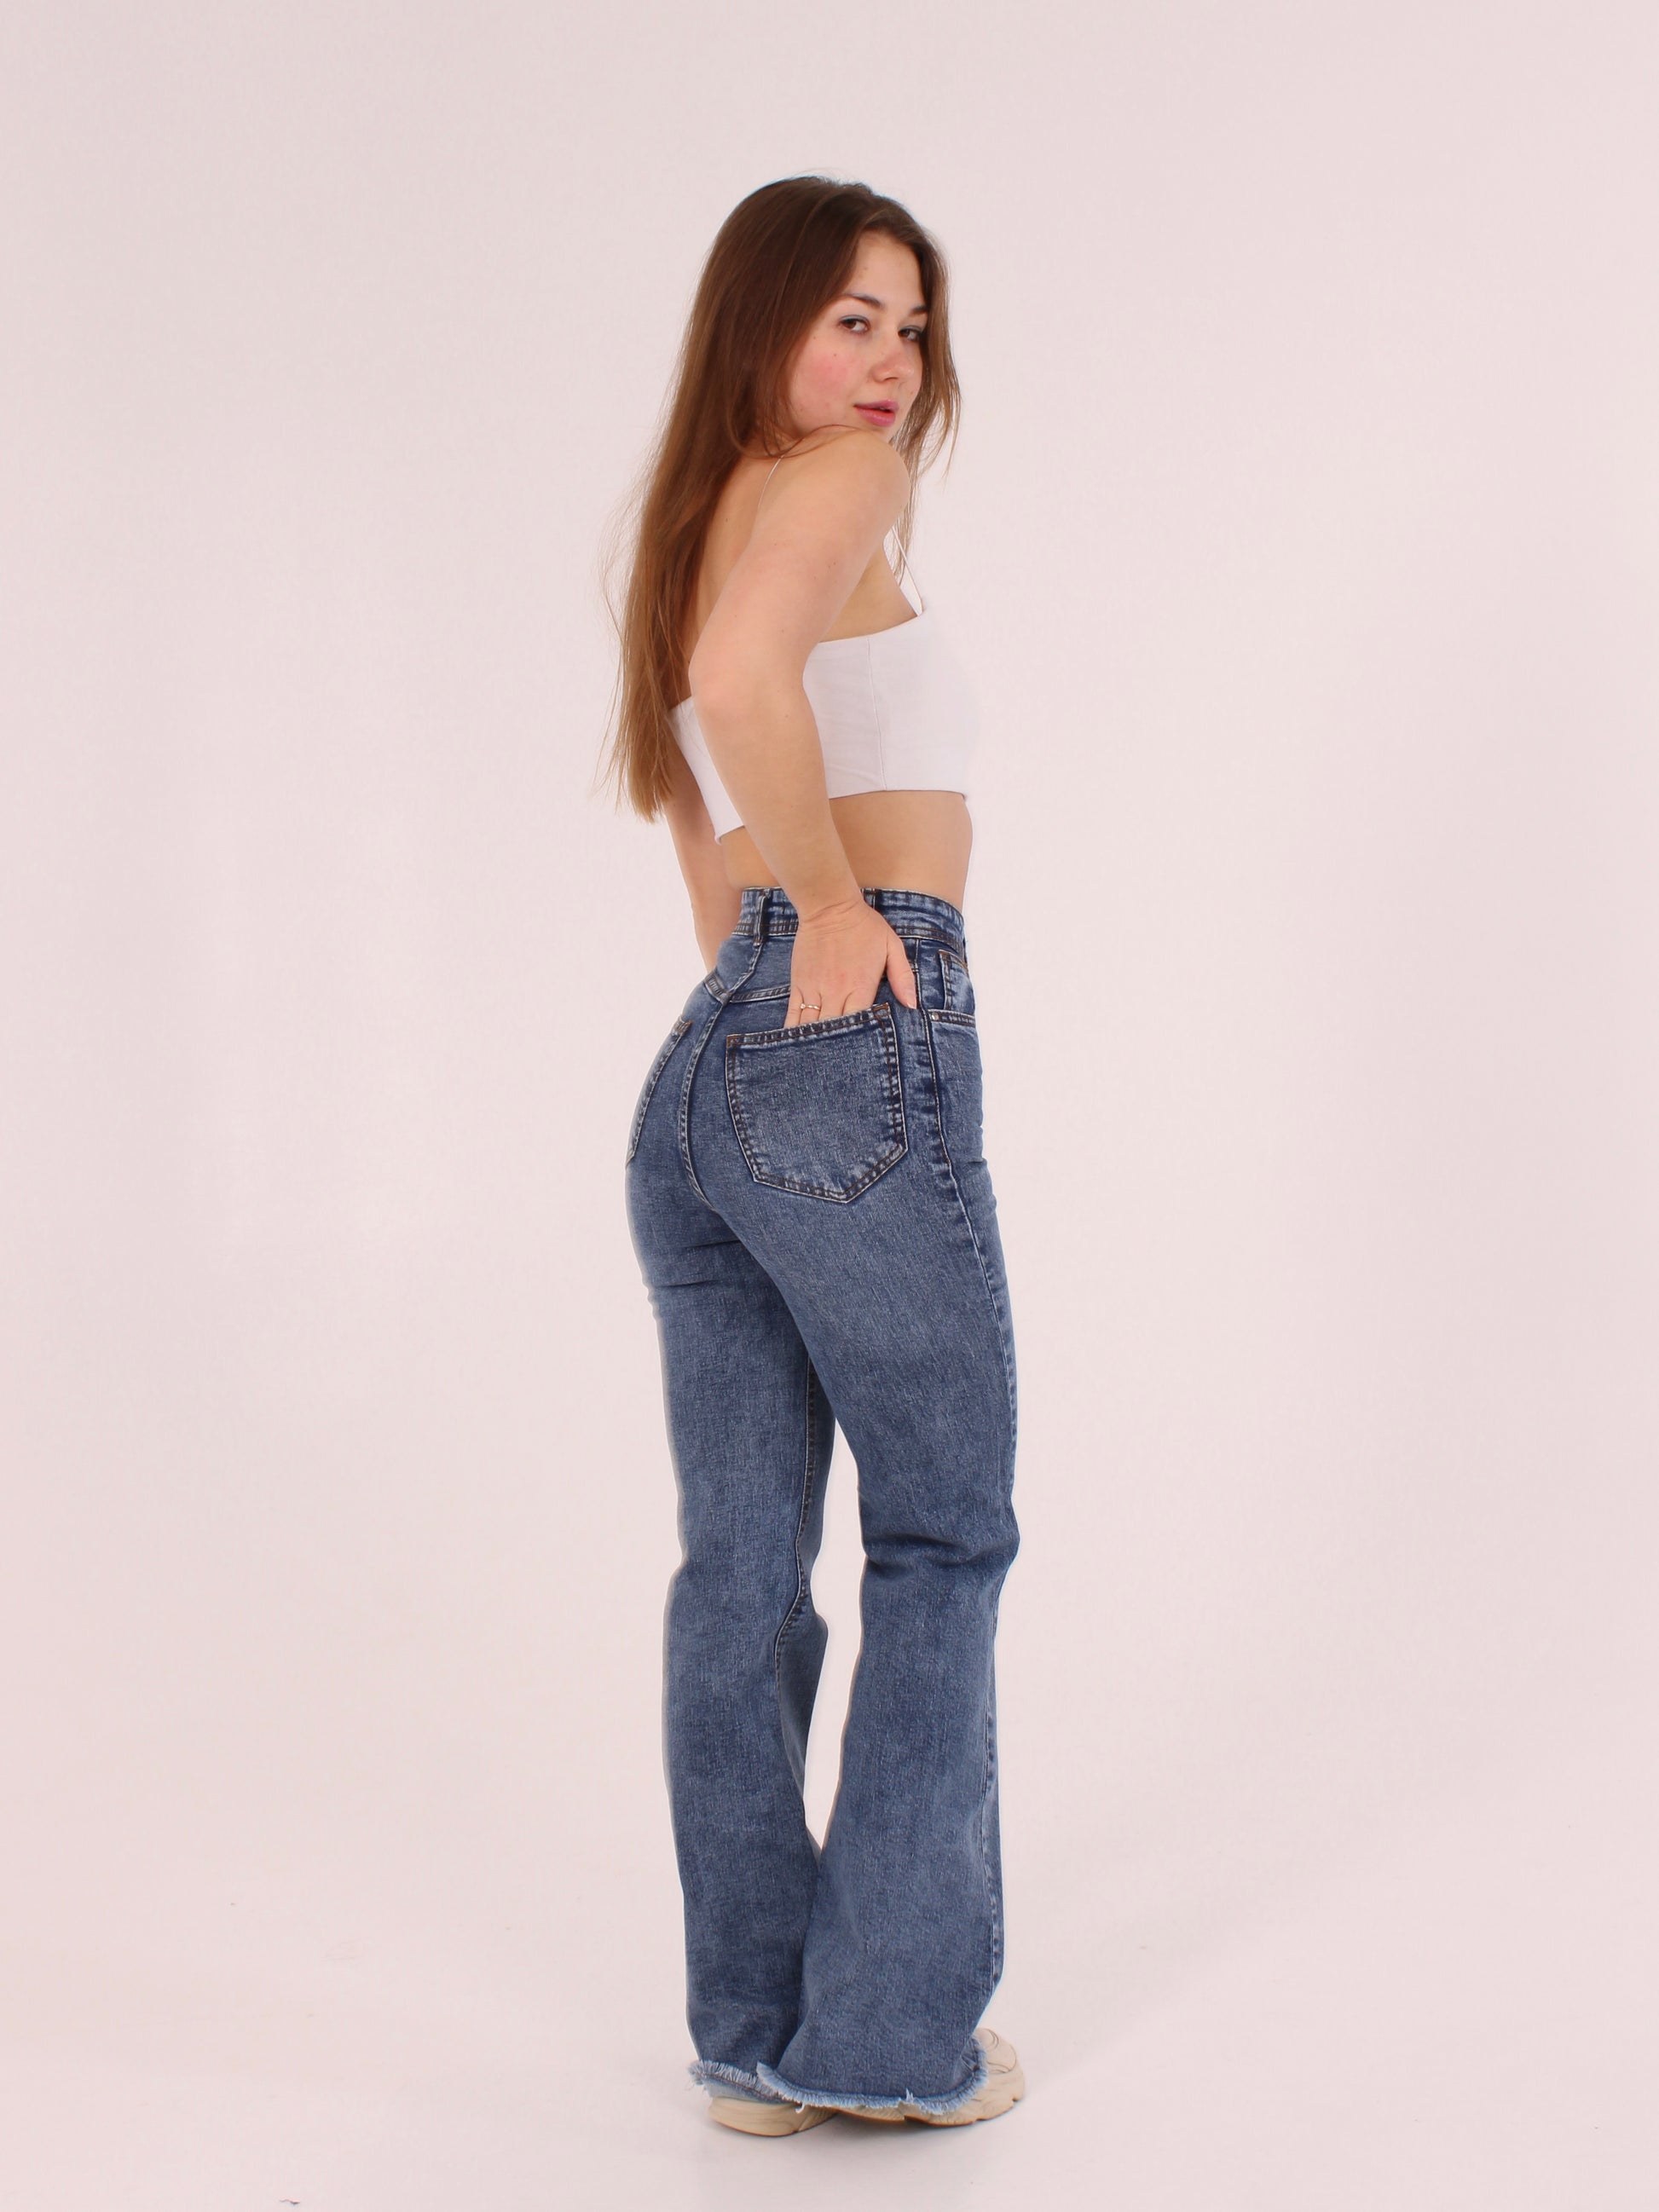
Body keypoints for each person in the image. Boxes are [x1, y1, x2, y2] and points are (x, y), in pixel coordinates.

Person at [602, 176, 1024, 2136]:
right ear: (759, 318)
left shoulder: (693, 521)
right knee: (940, 1532)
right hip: (852, 1030)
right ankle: (887, 2039)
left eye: (910, 327)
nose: (890, 365)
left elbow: (706, 826)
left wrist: (776, 958)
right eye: (851, 317)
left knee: (741, 1567)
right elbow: (745, 696)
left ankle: (751, 2028)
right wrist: (846, 909)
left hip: (715, 1071)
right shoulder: (841, 490)